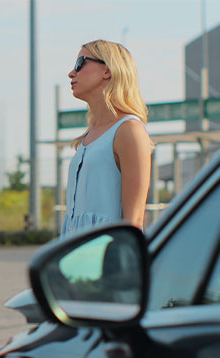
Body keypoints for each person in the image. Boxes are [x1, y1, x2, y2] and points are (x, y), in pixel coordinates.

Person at [61, 39, 153, 237]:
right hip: (76, 256)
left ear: (108, 70)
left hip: (107, 259)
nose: (71, 73)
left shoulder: (129, 130)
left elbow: (134, 220)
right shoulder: (89, 135)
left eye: (80, 63)